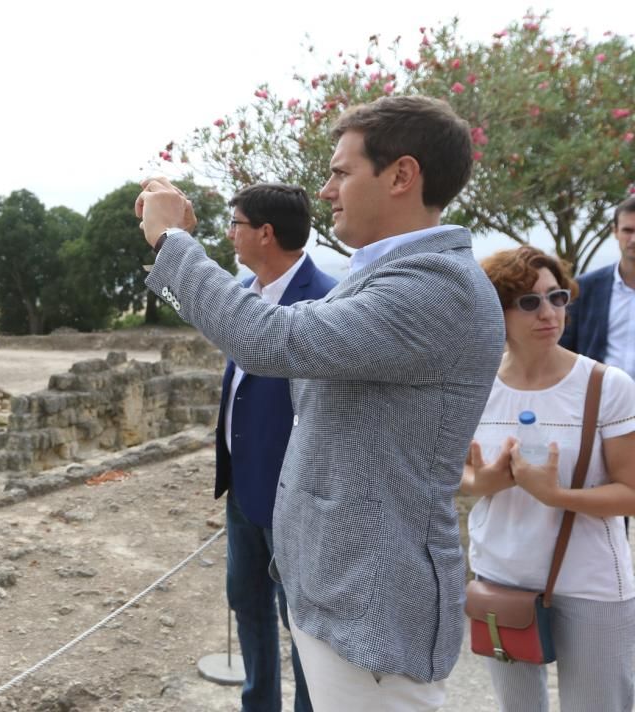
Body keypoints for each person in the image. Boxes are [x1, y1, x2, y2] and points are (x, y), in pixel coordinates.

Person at [136, 95, 505, 711]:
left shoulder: (435, 287)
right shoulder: (386, 273)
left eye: (342, 171)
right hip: (339, 592)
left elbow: (272, 338)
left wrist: (173, 242)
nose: (328, 189)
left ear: (402, 175)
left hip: (374, 610)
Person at [463, 245, 635, 711]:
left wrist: (557, 495)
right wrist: (482, 483)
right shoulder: (475, 386)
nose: (549, 313)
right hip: (502, 574)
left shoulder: (606, 385)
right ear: (496, 312)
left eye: (557, 297)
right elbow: (452, 470)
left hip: (591, 582)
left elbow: (631, 493)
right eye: (529, 302)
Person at [216, 183, 335, 712]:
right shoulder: (245, 292)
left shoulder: (327, 300)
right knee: (246, 602)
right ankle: (257, 703)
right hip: (243, 488)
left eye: (236, 223)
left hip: (294, 498)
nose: (230, 233)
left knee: (301, 620)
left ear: (265, 233)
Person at [561, 196, 635, 379]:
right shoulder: (584, 288)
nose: (633, 239)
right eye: (628, 230)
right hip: (598, 399)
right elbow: (563, 348)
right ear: (615, 232)